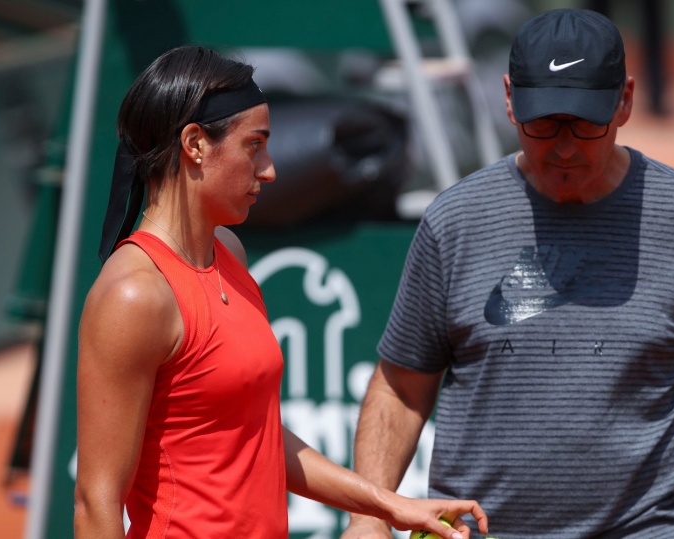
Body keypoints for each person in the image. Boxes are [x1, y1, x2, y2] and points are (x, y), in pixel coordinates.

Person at [341, 9, 674, 539]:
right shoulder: (454, 222)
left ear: (626, 101)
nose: (565, 146)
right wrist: (366, 518)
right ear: (507, 99)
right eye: (543, 123)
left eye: (587, 123)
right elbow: (402, 387)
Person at [73, 45, 489, 539]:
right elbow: (95, 502)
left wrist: (388, 505)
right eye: (255, 145)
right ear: (195, 144)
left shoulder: (229, 252)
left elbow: (261, 439)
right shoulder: (135, 296)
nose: (269, 169)